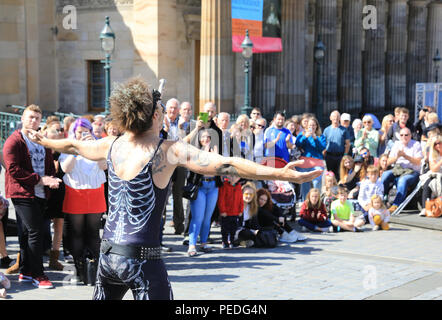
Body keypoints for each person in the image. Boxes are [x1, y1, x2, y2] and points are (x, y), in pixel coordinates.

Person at [26, 77, 321, 300]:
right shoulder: (167, 151)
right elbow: (226, 165)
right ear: (154, 115)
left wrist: (44, 141)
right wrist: (281, 173)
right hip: (142, 260)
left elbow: (73, 145)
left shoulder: (110, 144)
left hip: (109, 257)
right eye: (161, 111)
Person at [2, 104, 61, 289]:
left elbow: (49, 163)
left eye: (37, 118)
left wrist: (51, 179)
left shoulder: (41, 140)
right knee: (36, 232)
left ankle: (26, 271)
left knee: (28, 233)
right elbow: (13, 169)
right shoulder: (14, 140)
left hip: (41, 193)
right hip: (22, 192)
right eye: (30, 117)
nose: (33, 121)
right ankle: (38, 274)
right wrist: (40, 180)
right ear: (22, 118)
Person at [59, 118, 107, 285]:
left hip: (95, 192)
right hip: (75, 192)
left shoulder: (98, 145)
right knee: (77, 233)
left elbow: (104, 166)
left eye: (85, 132)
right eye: (79, 132)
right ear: (74, 133)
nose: (82, 135)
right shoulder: (68, 146)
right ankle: (80, 269)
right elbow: (66, 168)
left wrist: (94, 147)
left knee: (93, 233)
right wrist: (77, 149)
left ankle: (96, 269)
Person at [187, 129, 221, 256]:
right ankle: (192, 245)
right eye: (203, 137)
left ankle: (204, 242)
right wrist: (205, 155)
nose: (206, 139)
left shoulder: (215, 151)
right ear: (199, 139)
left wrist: (217, 158)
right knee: (198, 217)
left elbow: (219, 170)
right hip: (200, 186)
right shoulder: (194, 152)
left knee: (207, 218)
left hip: (213, 185)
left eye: (208, 136)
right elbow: (196, 169)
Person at [42, 117, 66, 271]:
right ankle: (26, 258)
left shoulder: (63, 150)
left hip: (59, 190)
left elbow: (60, 170)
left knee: (58, 224)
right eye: (56, 130)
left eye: (61, 130)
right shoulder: (41, 149)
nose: (59, 132)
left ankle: (54, 258)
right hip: (43, 190)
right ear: (47, 132)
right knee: (37, 225)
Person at [382, 127, 422, 213]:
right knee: (385, 175)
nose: (404, 137)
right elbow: (388, 162)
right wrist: (397, 156)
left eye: (406, 135)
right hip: (398, 169)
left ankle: (395, 205)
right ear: (399, 136)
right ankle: (381, 199)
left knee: (402, 180)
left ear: (410, 135)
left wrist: (405, 156)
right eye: (402, 135)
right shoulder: (397, 144)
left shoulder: (416, 144)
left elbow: (418, 162)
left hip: (412, 171)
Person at [295, 117, 326, 201]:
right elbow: (298, 144)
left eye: (313, 125)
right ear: (306, 126)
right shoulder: (302, 134)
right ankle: (305, 202)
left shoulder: (320, 136)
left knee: (317, 181)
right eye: (310, 125)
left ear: (316, 126)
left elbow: (322, 148)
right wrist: (305, 137)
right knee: (305, 183)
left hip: (317, 163)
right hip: (305, 163)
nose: (311, 127)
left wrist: (315, 138)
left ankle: (317, 201)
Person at [323, 111, 351, 180]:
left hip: (340, 156)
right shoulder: (326, 130)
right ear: (330, 118)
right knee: (329, 174)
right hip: (329, 156)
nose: (335, 118)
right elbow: (323, 143)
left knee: (339, 174)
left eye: (337, 117)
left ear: (339, 118)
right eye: (334, 117)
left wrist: (345, 154)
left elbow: (347, 144)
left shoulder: (344, 130)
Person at [217, 175, 243, 249]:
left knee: (233, 228)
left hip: (235, 212)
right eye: (231, 176)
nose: (233, 178)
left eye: (236, 176)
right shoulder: (224, 185)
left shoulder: (238, 186)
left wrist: (240, 210)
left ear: (239, 178)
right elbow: (221, 199)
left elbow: (241, 199)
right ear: (228, 176)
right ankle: (224, 241)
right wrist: (223, 210)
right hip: (226, 213)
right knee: (225, 228)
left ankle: (232, 241)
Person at [420, 135, 442, 216]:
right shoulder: (432, 154)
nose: (437, 145)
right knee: (427, 184)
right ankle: (425, 208)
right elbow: (433, 169)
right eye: (435, 144)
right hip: (435, 174)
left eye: (439, 143)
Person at [236, 182, 260, 248]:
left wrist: (257, 231)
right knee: (247, 233)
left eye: (251, 194)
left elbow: (255, 225)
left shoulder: (252, 207)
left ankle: (243, 242)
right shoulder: (236, 206)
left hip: (247, 231)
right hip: (236, 232)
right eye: (246, 194)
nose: (248, 196)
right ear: (241, 194)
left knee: (260, 233)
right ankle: (239, 241)